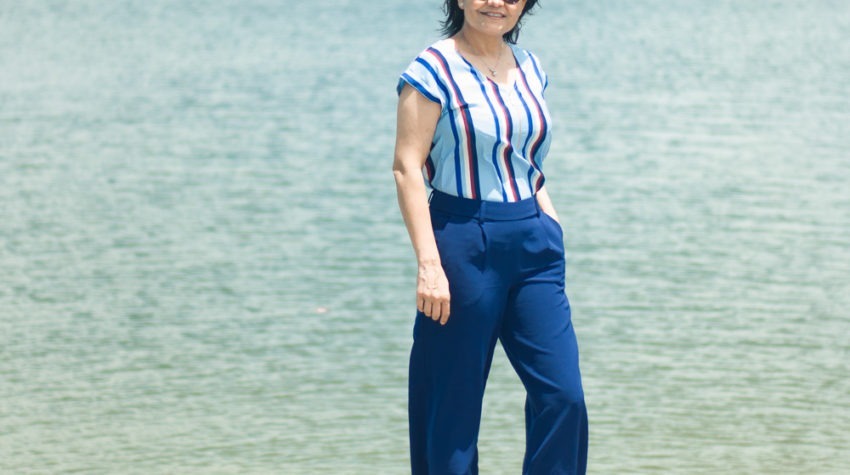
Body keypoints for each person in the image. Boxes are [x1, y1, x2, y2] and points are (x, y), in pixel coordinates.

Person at [393, 0, 589, 473]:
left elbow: (527, 160)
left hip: (534, 244)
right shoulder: (432, 68)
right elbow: (407, 168)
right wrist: (430, 264)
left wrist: (549, 220)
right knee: (452, 407)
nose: (495, 3)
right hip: (462, 242)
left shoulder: (531, 67)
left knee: (563, 396)